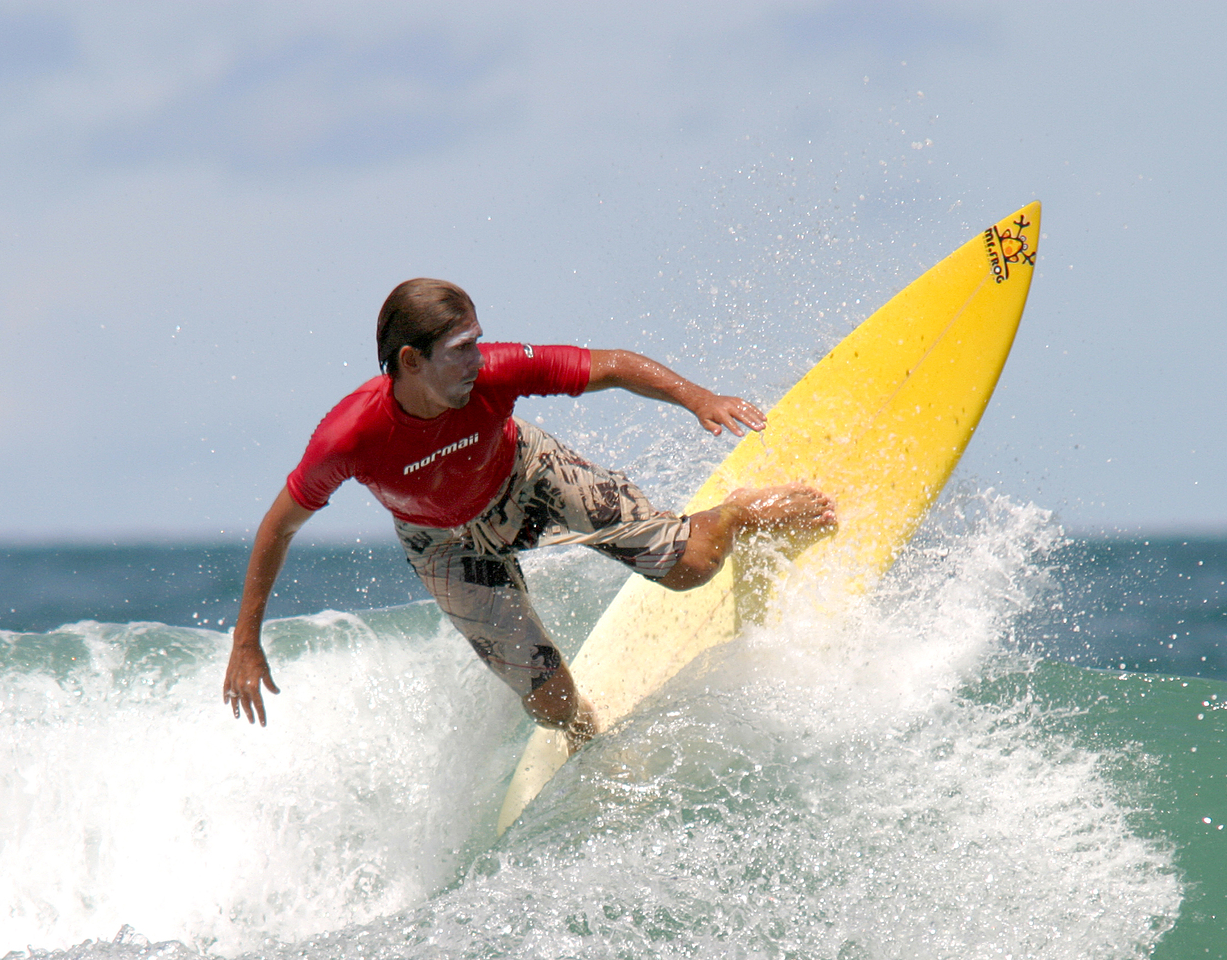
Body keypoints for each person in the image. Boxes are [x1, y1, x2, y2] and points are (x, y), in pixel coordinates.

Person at [221, 278, 836, 746]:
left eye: (478, 341)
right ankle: (589, 746)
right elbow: (280, 525)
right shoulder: (349, 437)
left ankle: (735, 513)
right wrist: (246, 640)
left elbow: (613, 365)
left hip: (526, 476)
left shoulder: (496, 372)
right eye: (461, 349)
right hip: (442, 542)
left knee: (692, 566)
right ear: (411, 361)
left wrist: (699, 398)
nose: (478, 358)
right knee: (551, 705)